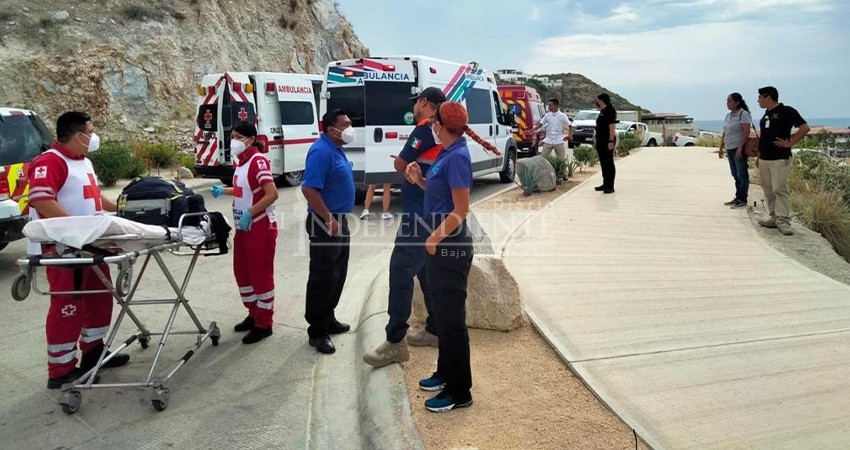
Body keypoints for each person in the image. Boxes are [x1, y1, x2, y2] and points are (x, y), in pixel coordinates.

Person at [27, 111, 130, 389]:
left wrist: (124, 209)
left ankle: (94, 352)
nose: (93, 136)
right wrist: (75, 233)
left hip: (92, 246)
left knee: (99, 300)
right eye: (91, 131)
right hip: (65, 252)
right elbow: (41, 201)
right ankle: (60, 370)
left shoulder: (83, 162)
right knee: (68, 309)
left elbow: (94, 197)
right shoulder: (50, 162)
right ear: (78, 135)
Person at [405, 101, 496, 413]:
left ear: (443, 125)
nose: (431, 124)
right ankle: (445, 373)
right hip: (439, 241)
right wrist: (418, 178)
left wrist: (433, 239)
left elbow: (460, 209)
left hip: (449, 244)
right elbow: (438, 191)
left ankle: (460, 391)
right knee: (442, 315)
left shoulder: (457, 157)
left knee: (452, 320)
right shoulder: (446, 151)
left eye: (434, 121)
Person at [362, 87, 445, 368]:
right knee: (424, 271)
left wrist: (404, 163)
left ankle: (395, 341)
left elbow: (400, 163)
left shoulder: (424, 129)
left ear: (424, 102)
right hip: (434, 214)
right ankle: (435, 329)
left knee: (400, 272)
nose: (415, 109)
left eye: (417, 103)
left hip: (417, 216)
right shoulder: (444, 131)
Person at [210, 121, 279, 344]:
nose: (234, 141)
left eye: (238, 136)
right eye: (232, 136)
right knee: (243, 273)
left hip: (259, 225)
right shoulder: (242, 162)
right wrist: (224, 190)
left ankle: (264, 323)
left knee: (260, 274)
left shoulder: (258, 161)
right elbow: (244, 189)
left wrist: (250, 212)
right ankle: (253, 312)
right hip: (244, 226)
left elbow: (271, 194)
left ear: (250, 138)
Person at [301, 109, 356, 354]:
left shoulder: (336, 148)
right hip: (325, 222)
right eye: (345, 124)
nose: (349, 127)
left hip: (338, 221)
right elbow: (310, 189)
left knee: (337, 273)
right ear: (330, 128)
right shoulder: (321, 152)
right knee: (323, 276)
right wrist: (328, 218)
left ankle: (329, 317)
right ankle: (317, 330)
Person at [755, 86, 810, 235]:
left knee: (780, 188)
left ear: (768, 98)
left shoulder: (787, 111)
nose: (758, 100)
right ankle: (774, 217)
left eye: (760, 97)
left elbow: (804, 128)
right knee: (768, 189)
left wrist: (790, 142)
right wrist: (759, 156)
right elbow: (765, 136)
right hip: (765, 158)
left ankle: (783, 221)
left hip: (780, 158)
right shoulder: (766, 115)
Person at [719, 93, 753, 209]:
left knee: (742, 174)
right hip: (729, 148)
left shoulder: (743, 114)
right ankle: (738, 197)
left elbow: (746, 132)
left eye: (729, 101)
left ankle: (742, 199)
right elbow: (725, 132)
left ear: (737, 102)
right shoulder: (728, 115)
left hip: (739, 148)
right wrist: (721, 147)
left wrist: (740, 147)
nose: (727, 103)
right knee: (735, 174)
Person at [531, 98, 573, 170]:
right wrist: (532, 130)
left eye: (551, 105)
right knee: (542, 158)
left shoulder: (562, 115)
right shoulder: (547, 115)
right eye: (549, 105)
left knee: (561, 160)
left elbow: (570, 125)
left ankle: (563, 174)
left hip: (559, 140)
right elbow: (540, 125)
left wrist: (569, 135)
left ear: (556, 105)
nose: (549, 107)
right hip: (548, 140)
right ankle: (541, 172)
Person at [594, 93, 617, 193]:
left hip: (607, 140)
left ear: (602, 100)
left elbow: (612, 126)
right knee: (603, 163)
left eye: (598, 100)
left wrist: (611, 140)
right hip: (600, 140)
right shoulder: (602, 111)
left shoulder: (610, 110)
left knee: (608, 162)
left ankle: (610, 186)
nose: (597, 102)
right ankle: (605, 183)